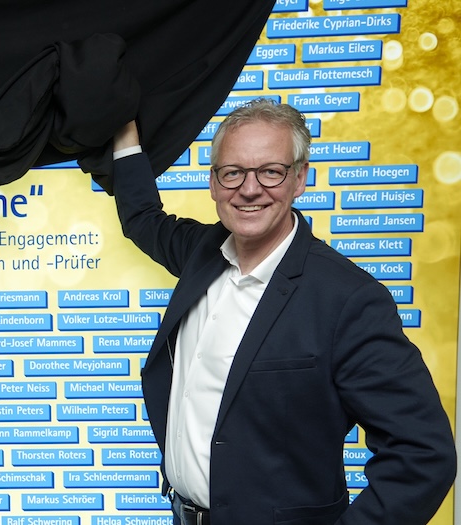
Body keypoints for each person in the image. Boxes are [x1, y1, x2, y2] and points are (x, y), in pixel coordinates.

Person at [111, 98, 456, 524]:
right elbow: (143, 218)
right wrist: (123, 130)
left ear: (299, 179)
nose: (249, 189)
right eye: (232, 172)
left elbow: (423, 454)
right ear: (214, 183)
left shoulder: (347, 299)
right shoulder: (201, 253)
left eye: (270, 171)